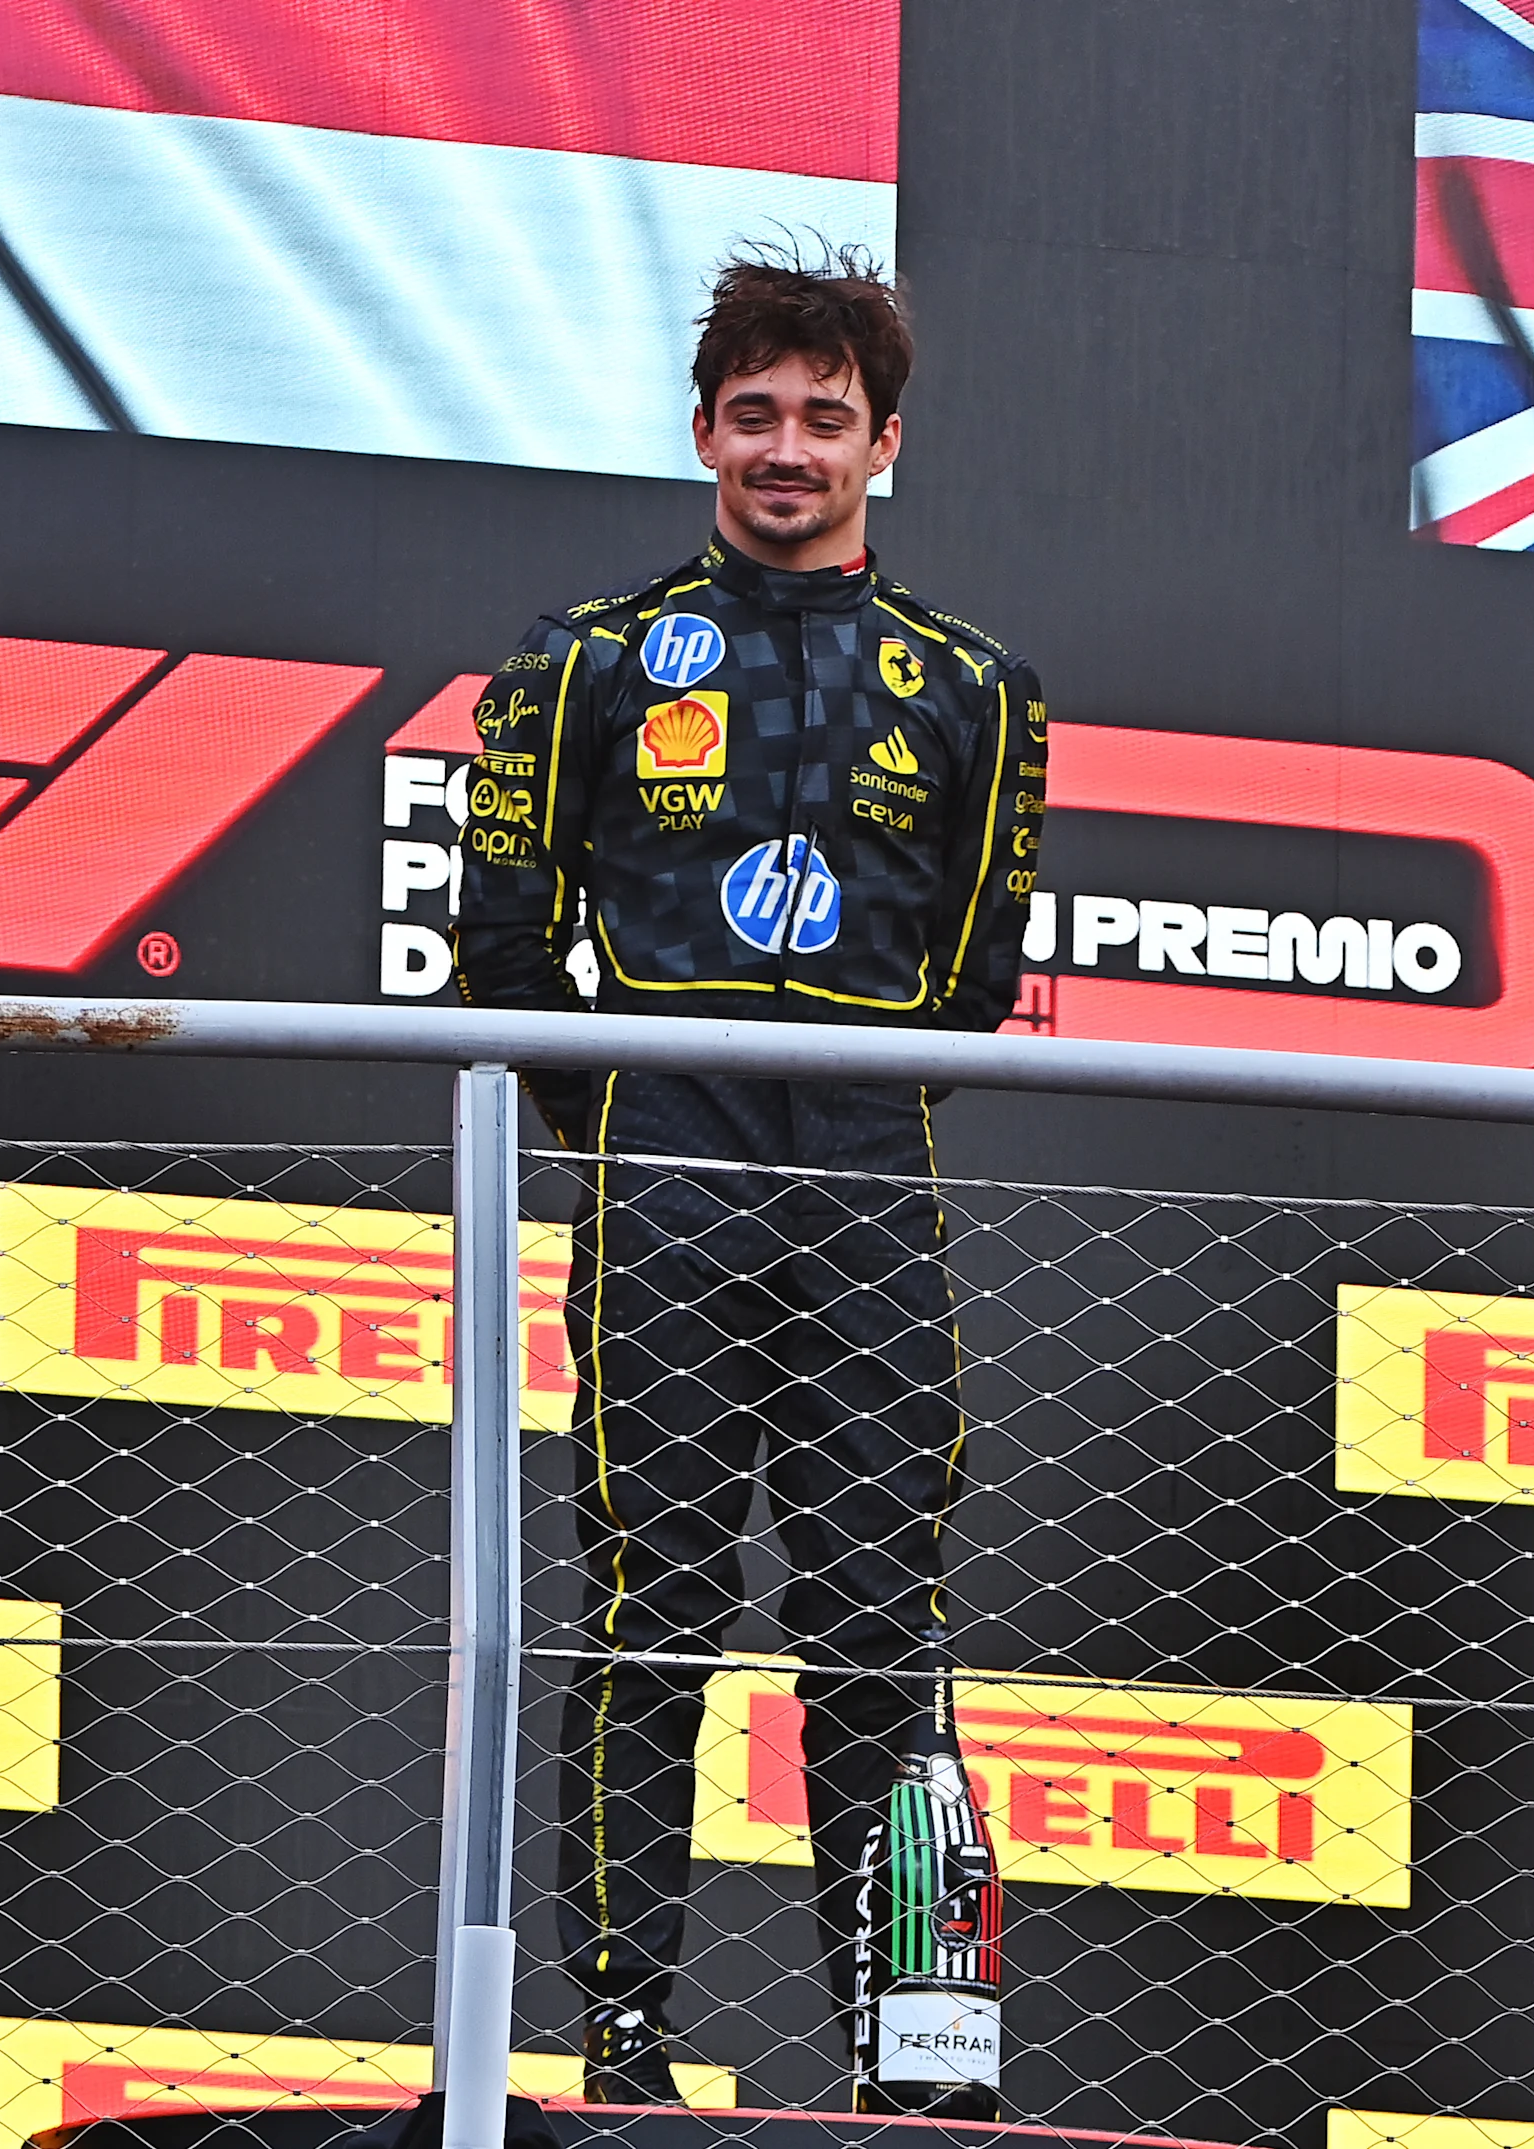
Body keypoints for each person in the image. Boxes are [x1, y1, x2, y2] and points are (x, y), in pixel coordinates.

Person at [452, 246, 1045, 2114]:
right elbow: (500, 946)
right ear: (702, 428)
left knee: (885, 1616)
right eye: (756, 413)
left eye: (826, 418)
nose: (788, 448)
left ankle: (912, 2051)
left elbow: (969, 977)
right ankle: (627, 2038)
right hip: (666, 1168)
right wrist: (632, 1118)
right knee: (655, 1604)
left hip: (872, 1175)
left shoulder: (976, 688)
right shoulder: (588, 659)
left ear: (886, 444)